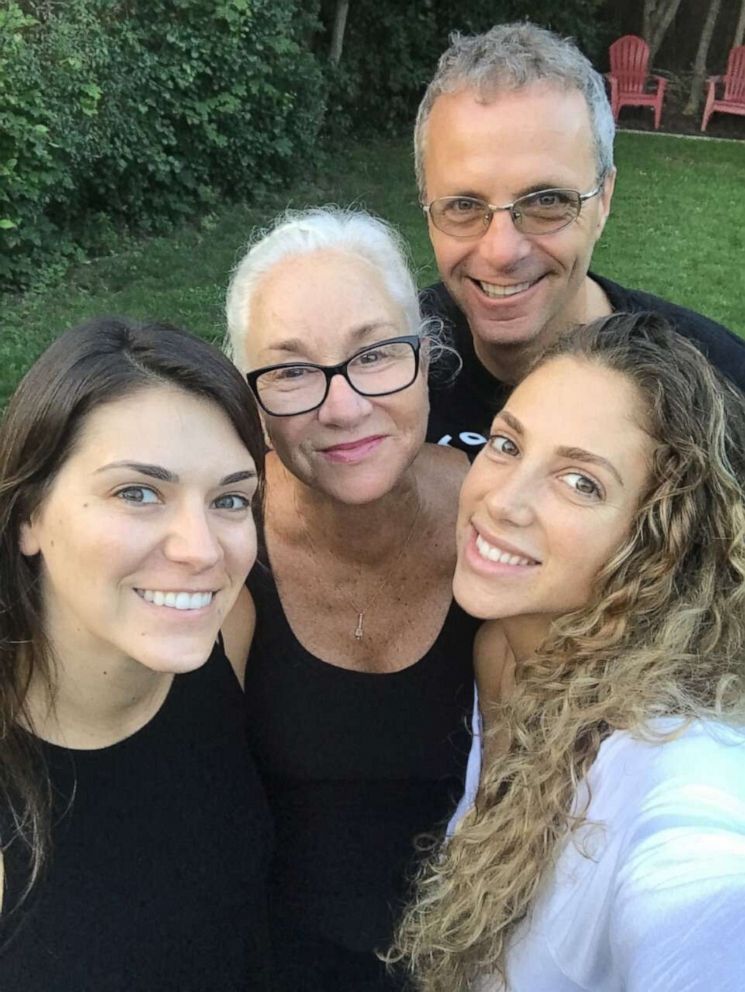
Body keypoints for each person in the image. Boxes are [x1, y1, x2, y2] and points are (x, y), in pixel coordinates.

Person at [388, 311, 745, 991]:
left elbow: (701, 894)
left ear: (657, 539)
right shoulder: (501, 644)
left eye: (580, 482)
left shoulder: (673, 765)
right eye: (506, 446)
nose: (504, 503)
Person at [225, 207, 478, 991]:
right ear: (248, 396)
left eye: (373, 354)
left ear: (425, 354)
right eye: (291, 370)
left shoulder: (500, 525)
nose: (340, 407)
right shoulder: (214, 546)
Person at [0, 317, 273, 991]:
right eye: (138, 492)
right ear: (30, 513)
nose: (202, 550)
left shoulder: (227, 630)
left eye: (229, 499)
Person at [414, 22, 745, 453]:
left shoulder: (721, 388)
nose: (501, 251)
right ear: (426, 206)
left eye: (546, 201)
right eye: (462, 205)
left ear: (603, 199)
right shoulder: (380, 371)